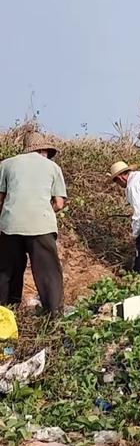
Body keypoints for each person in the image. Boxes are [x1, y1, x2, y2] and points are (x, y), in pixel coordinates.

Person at [0, 132, 67, 317]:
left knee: (7, 271)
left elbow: (1, 198)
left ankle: (6, 312)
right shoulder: (53, 167)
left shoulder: (6, 164)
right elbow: (59, 203)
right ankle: (54, 314)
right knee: (48, 272)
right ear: (43, 149)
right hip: (41, 225)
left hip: (10, 224)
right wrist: (44, 211)